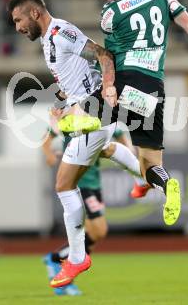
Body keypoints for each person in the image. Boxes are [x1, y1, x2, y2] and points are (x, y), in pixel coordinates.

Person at [7, 0, 147, 288]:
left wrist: (107, 89)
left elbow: (102, 54)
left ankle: (77, 258)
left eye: (18, 19)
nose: (17, 27)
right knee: (107, 149)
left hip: (95, 111)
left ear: (34, 14)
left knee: (63, 184)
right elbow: (73, 77)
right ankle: (149, 176)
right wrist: (61, 100)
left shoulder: (60, 31)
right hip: (90, 112)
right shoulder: (48, 41)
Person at [92, 0, 188, 223]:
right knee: (150, 165)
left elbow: (110, 58)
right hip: (153, 89)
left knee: (77, 119)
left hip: (126, 81)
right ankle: (166, 185)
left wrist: (109, 87)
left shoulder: (110, 14)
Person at [42, 125, 143, 296]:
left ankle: (61, 265)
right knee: (98, 230)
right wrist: (49, 155)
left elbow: (119, 139)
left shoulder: (102, 116)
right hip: (81, 181)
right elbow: (47, 137)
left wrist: (129, 155)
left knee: (95, 234)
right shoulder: (72, 113)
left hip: (93, 180)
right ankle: (57, 260)